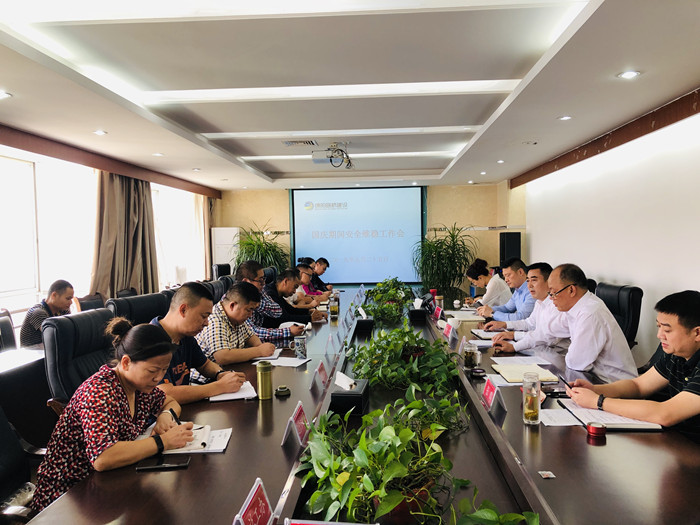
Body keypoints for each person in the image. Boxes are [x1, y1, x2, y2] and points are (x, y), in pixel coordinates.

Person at [31, 318, 194, 511]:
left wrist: (165, 415)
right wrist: (163, 441)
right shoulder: (99, 392)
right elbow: (103, 457)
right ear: (126, 362)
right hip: (69, 495)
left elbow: (170, 401)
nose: (158, 378)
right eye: (152, 370)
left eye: (164, 370)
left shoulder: (139, 386)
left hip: (111, 480)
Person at [567, 290, 700, 443]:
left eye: (667, 330)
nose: (659, 335)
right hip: (677, 439)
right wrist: (595, 390)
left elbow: (665, 414)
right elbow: (638, 386)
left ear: (697, 333)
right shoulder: (676, 354)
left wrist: (598, 401)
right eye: (658, 327)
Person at [152, 282, 246, 404]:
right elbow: (166, 394)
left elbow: (204, 364)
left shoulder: (185, 335)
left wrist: (220, 374)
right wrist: (220, 386)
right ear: (183, 310)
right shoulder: (151, 340)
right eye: (203, 316)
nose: (207, 323)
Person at [548, 263, 636, 383]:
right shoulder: (577, 308)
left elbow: (575, 362)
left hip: (613, 385)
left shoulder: (590, 313)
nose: (551, 298)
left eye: (554, 293)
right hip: (594, 378)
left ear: (571, 290)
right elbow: (550, 331)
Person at [191, 282, 275, 382]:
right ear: (232, 305)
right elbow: (222, 356)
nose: (250, 314)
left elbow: (250, 336)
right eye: (249, 310)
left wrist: (260, 346)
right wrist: (259, 351)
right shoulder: (215, 320)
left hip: (229, 374)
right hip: (207, 381)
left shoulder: (237, 318)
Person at [487, 262, 569, 354]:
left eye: (534, 280)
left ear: (549, 282)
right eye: (528, 281)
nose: (529, 285)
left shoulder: (557, 305)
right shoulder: (539, 302)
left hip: (555, 353)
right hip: (541, 349)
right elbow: (529, 323)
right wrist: (505, 325)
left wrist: (514, 339)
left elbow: (546, 337)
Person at [235, 260, 304, 344]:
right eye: (260, 280)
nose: (264, 284)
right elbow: (251, 332)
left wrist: (258, 304)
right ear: (246, 281)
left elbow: (278, 311)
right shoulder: (237, 300)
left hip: (261, 342)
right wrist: (288, 332)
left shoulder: (259, 292)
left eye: (264, 279)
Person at [19, 279, 74, 347]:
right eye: (68, 298)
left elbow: (70, 331)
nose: (71, 302)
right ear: (54, 295)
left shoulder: (64, 310)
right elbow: (53, 335)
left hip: (51, 349)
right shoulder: (38, 312)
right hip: (34, 351)